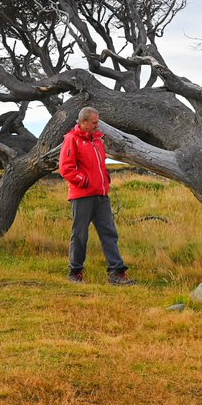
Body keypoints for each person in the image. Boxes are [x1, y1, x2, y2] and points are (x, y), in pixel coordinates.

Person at [58, 106, 133, 285]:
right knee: (80, 234)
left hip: (101, 194)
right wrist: (84, 182)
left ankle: (116, 273)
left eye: (97, 122)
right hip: (82, 196)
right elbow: (66, 168)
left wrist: (105, 181)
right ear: (83, 121)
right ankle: (75, 272)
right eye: (94, 122)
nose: (97, 125)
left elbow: (101, 166)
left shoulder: (98, 140)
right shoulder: (72, 139)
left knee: (109, 233)